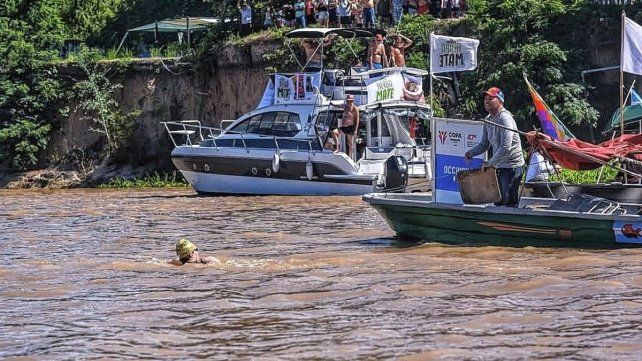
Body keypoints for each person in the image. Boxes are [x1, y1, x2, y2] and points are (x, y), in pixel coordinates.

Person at [464, 87, 525, 207]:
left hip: (512, 166)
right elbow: (484, 144)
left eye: (491, 98)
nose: (486, 101)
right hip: (498, 165)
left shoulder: (505, 119)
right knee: (498, 200)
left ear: (500, 101)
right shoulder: (488, 119)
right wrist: (470, 153)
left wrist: (489, 163)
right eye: (485, 99)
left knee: (508, 202)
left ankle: (509, 224)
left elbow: (506, 148)